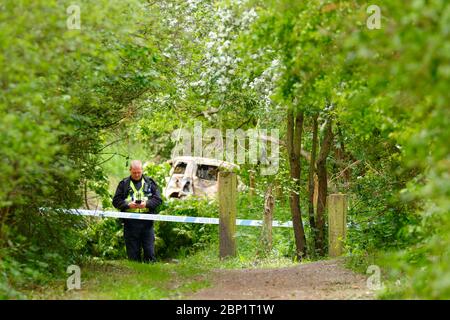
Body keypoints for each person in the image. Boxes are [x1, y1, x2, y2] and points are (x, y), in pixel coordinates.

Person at [112, 160, 163, 263]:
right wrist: (128, 205)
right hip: (130, 222)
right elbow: (116, 201)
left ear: (142, 170)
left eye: (139, 172)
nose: (136, 174)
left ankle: (151, 274)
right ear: (130, 170)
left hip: (147, 222)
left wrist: (147, 204)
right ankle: (134, 275)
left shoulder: (150, 182)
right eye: (134, 172)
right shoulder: (124, 184)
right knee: (133, 254)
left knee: (149, 252)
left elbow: (158, 199)